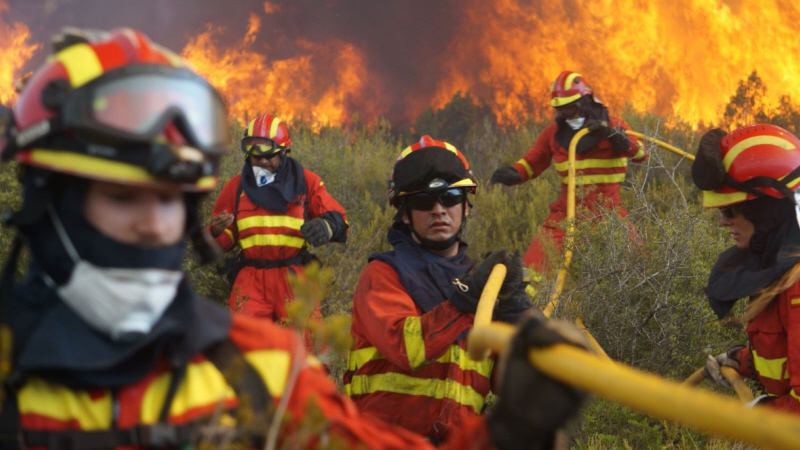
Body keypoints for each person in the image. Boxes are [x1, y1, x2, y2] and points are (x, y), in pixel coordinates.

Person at [0, 27, 587, 449]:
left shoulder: (261, 371)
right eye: (123, 196)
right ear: (46, 202)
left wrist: (513, 430)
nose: (157, 225)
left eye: (171, 198)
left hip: (295, 279)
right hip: (255, 278)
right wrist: (225, 238)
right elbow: (222, 236)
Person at [345, 135, 544, 442]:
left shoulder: (485, 283)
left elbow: (508, 387)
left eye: (451, 197)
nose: (439, 209)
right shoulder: (383, 275)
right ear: (406, 214)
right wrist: (467, 299)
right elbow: (406, 348)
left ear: (466, 207)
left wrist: (521, 320)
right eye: (424, 201)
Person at [490, 71, 647, 277]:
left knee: (642, 269)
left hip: (608, 215)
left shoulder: (615, 125)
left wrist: (613, 136)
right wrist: (514, 173)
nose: (566, 115)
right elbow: (533, 161)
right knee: (529, 275)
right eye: (560, 110)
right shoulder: (553, 133)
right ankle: (528, 306)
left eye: (570, 108)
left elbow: (641, 153)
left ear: (585, 101)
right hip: (565, 216)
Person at [208, 113, 348, 344]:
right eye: (255, 155)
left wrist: (326, 226)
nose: (262, 161)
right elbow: (222, 240)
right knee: (241, 349)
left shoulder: (306, 182)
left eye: (269, 155)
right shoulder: (236, 187)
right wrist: (214, 232)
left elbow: (340, 219)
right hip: (250, 280)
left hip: (294, 279)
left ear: (284, 151)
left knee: (308, 348)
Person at [692, 124, 800, 413]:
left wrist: (760, 415)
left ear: (765, 212)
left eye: (729, 211)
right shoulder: (777, 267)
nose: (723, 222)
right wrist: (743, 361)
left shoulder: (797, 285)